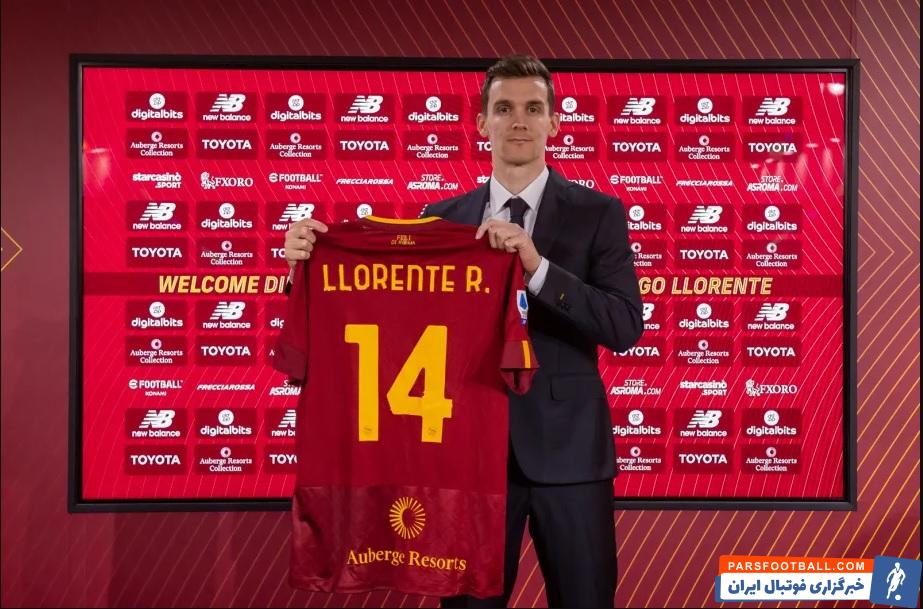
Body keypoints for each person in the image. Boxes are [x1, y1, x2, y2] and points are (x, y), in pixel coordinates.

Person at [282, 54, 643, 608]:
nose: (518, 120)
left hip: (570, 456)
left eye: (532, 108)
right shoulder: (442, 218)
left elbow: (623, 325)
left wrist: (536, 268)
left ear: (554, 122)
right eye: (504, 108)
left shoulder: (599, 212)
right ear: (481, 123)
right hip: (466, 459)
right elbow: (390, 316)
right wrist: (307, 270)